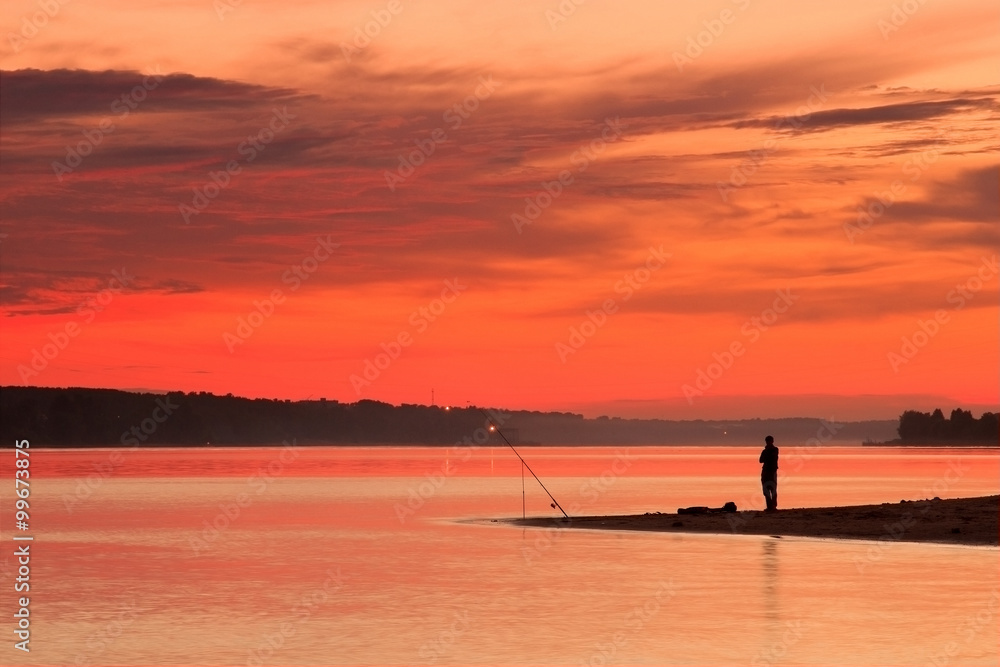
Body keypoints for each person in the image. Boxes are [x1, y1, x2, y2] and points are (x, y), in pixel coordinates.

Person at [759, 435, 779, 511]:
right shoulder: (765, 451)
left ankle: (773, 506)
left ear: (772, 441)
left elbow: (772, 457)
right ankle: (769, 506)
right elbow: (761, 460)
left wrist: (767, 453)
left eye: (769, 441)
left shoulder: (775, 449)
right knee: (766, 490)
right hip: (765, 472)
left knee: (773, 489)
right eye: (767, 441)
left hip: (772, 472)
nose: (768, 443)